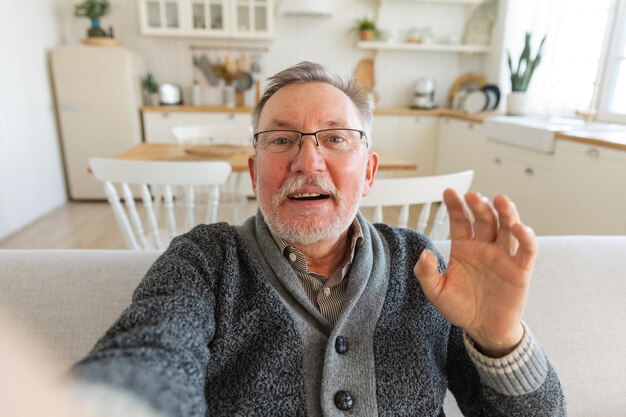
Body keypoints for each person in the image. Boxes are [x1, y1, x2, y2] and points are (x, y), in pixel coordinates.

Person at [71, 61, 565, 417]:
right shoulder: (205, 260)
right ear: (253, 171)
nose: (307, 163)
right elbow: (151, 355)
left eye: (335, 138)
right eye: (281, 140)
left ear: (368, 172)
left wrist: (501, 341)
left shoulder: (420, 264)